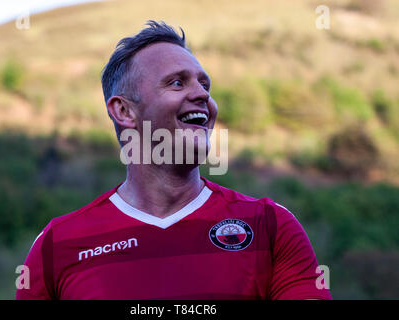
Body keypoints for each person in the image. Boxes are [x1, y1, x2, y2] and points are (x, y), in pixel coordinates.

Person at [16, 20, 332, 300]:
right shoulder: (56, 245)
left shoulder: (271, 226)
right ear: (124, 111)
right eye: (177, 82)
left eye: (204, 84)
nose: (203, 96)